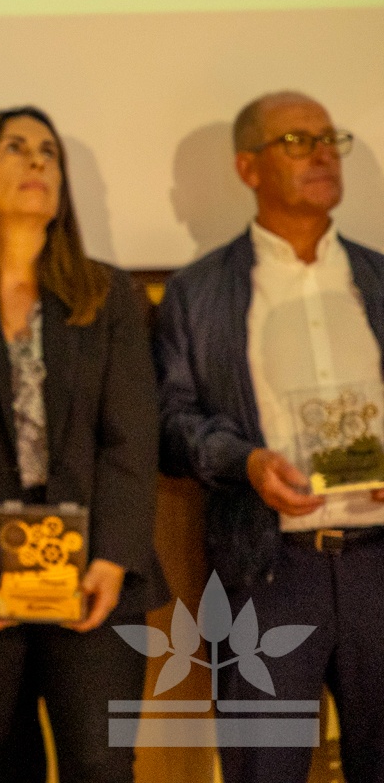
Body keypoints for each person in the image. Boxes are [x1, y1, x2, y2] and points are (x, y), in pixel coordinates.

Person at [0, 107, 167, 782]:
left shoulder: (108, 296)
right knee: (6, 769)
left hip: (94, 579)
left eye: (48, 151)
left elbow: (131, 438)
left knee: (100, 768)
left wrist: (112, 558)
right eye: (15, 147)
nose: (38, 161)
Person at [157, 92, 384, 783]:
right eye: (296, 141)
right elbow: (173, 425)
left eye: (329, 139)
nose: (321, 154)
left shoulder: (378, 280)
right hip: (268, 569)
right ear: (248, 167)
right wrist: (247, 462)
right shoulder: (199, 293)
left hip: (379, 564)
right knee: (264, 769)